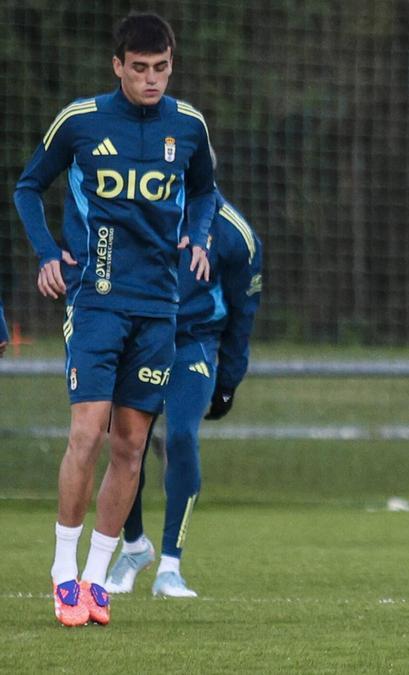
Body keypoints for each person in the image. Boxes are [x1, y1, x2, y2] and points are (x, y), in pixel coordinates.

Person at [13, 12, 216, 626]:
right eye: (139, 69)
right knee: (87, 434)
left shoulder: (189, 126)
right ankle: (62, 570)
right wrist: (49, 253)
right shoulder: (81, 121)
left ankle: (98, 579)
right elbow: (27, 186)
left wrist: (200, 237)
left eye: (161, 68)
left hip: (160, 306)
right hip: (96, 297)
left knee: (130, 447)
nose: (151, 80)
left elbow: (205, 190)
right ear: (118, 66)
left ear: (171, 65)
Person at [106, 190, 263, 597]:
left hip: (195, 343)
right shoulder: (141, 209)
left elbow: (243, 314)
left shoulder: (235, 234)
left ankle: (171, 567)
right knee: (127, 442)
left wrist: (228, 381)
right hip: (142, 337)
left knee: (181, 437)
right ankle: (134, 546)